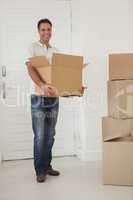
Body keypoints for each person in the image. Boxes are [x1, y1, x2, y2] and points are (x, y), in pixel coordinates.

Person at [26, 18, 85, 183]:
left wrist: (75, 90)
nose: (46, 32)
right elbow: (30, 69)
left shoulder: (55, 51)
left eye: (49, 29)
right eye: (43, 29)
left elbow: (60, 80)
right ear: (39, 31)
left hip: (53, 99)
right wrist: (42, 85)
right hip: (38, 98)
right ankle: (40, 170)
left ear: (52, 31)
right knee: (40, 136)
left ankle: (47, 166)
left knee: (50, 135)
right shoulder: (32, 47)